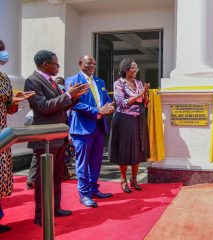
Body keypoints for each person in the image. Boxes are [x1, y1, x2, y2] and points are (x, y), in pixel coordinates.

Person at [24, 50, 89, 226]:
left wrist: (74, 97)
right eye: (56, 64)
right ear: (45, 64)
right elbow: (43, 107)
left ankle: (55, 208)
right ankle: (41, 215)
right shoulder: (32, 81)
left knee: (56, 176)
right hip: (45, 137)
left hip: (58, 135)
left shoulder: (51, 81)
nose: (58, 67)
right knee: (43, 179)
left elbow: (60, 105)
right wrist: (67, 95)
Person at [65, 55, 114, 208]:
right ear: (80, 64)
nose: (92, 65)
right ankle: (84, 194)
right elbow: (74, 104)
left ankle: (93, 189)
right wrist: (96, 111)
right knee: (82, 163)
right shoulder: (73, 80)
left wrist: (109, 107)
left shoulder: (100, 81)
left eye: (94, 62)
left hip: (99, 127)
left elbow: (106, 99)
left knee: (96, 161)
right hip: (82, 128)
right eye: (88, 62)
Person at [0, 40, 35, 233]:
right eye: (1, 51)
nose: (4, 55)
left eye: (4, 50)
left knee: (0, 176)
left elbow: (8, 106)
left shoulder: (4, 78)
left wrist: (16, 100)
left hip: (2, 133)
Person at [109, 58, 150, 193]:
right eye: (133, 68)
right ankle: (123, 179)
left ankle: (134, 178)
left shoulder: (139, 83)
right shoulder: (118, 83)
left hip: (138, 120)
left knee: (137, 150)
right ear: (126, 70)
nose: (135, 70)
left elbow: (144, 102)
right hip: (123, 120)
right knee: (124, 150)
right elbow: (122, 103)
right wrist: (140, 94)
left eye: (136, 68)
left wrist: (146, 97)